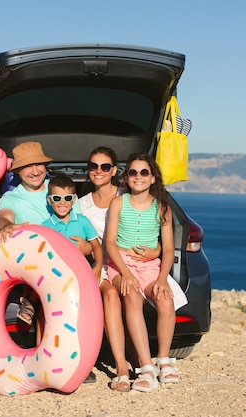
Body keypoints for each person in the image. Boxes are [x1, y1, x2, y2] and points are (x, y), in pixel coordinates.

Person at [0, 141, 96, 383]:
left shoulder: (61, 189)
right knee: (49, 302)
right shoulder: (12, 198)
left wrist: (89, 247)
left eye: (39, 163)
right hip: (36, 269)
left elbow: (80, 222)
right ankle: (48, 364)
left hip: (70, 264)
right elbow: (3, 218)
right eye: (28, 166)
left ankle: (78, 362)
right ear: (17, 171)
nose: (35, 170)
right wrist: (8, 228)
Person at [78, 147, 162, 392]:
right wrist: (84, 247)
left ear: (114, 171)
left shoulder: (129, 194)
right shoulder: (81, 206)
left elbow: (152, 228)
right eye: (93, 166)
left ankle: (138, 362)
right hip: (98, 265)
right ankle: (122, 367)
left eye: (105, 167)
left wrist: (156, 251)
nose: (98, 171)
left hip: (130, 263)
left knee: (126, 295)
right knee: (112, 295)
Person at [104, 152, 179, 393]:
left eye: (144, 172)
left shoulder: (162, 208)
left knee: (165, 300)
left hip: (150, 267)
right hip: (120, 263)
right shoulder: (118, 203)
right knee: (132, 298)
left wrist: (162, 279)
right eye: (133, 172)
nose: (138, 177)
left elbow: (168, 249)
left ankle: (163, 361)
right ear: (127, 177)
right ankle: (145, 367)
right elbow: (110, 243)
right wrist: (125, 273)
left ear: (153, 178)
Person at [41, 175, 103, 282]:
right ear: (49, 200)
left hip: (82, 273)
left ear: (74, 200)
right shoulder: (45, 227)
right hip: (56, 277)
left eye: (67, 198)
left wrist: (98, 268)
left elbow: (97, 247)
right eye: (57, 198)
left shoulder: (83, 221)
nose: (62, 203)